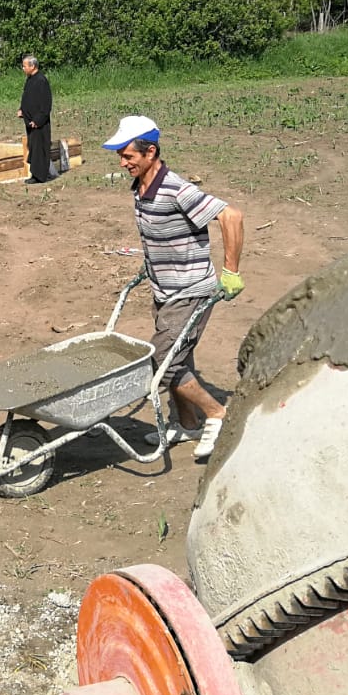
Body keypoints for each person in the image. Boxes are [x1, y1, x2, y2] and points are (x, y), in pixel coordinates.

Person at [103, 117, 245, 462]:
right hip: (164, 291)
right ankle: (187, 423)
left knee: (162, 364)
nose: (123, 163)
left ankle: (217, 415)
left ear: (151, 151)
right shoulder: (141, 186)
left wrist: (231, 272)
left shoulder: (176, 188)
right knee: (180, 357)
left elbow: (232, 217)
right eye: (120, 157)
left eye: (128, 156)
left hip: (190, 290)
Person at [17, 56, 53, 184]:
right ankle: (35, 173)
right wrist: (22, 109)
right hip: (29, 121)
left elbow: (46, 104)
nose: (23, 68)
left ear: (32, 66)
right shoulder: (30, 80)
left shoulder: (41, 80)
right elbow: (27, 97)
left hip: (38, 123)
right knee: (33, 147)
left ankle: (39, 176)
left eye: (25, 66)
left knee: (39, 148)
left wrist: (38, 120)